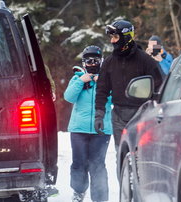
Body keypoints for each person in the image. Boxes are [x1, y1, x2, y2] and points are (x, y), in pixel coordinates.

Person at [94, 19, 163, 157]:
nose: (112, 41)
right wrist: (99, 115)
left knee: (141, 156)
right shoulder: (109, 62)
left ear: (126, 37)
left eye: (116, 37)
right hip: (118, 116)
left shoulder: (146, 61)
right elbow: (101, 90)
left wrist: (157, 112)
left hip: (142, 116)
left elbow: (160, 87)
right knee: (122, 156)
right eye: (111, 37)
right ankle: (124, 178)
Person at [64, 45, 113, 202]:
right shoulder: (77, 78)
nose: (92, 64)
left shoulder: (107, 79)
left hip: (101, 129)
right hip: (79, 129)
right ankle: (78, 192)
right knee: (79, 163)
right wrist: (80, 81)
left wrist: (103, 84)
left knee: (98, 164)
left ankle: (100, 198)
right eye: (88, 61)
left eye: (96, 60)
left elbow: (114, 99)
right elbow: (69, 97)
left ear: (101, 61)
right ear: (84, 63)